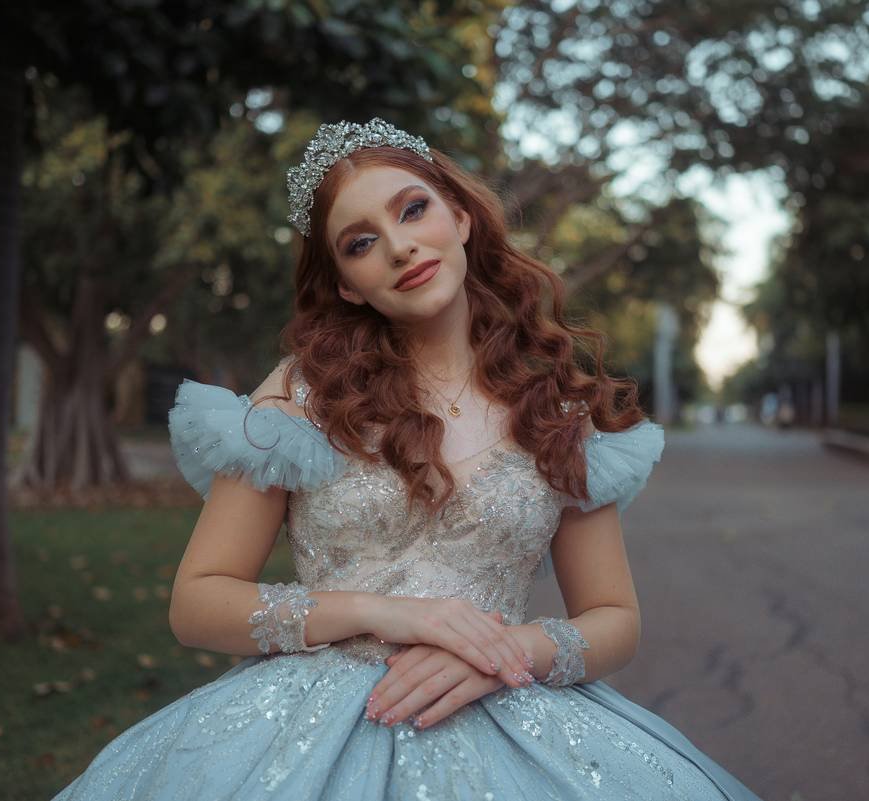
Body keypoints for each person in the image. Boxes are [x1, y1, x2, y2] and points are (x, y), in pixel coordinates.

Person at [51, 117, 763, 800]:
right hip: (307, 736)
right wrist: (382, 611)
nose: (399, 246)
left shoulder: (555, 405)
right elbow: (197, 600)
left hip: (510, 717)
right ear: (345, 283)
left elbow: (614, 616)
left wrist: (502, 655)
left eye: (413, 209)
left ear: (460, 217)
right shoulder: (302, 395)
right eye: (361, 242)